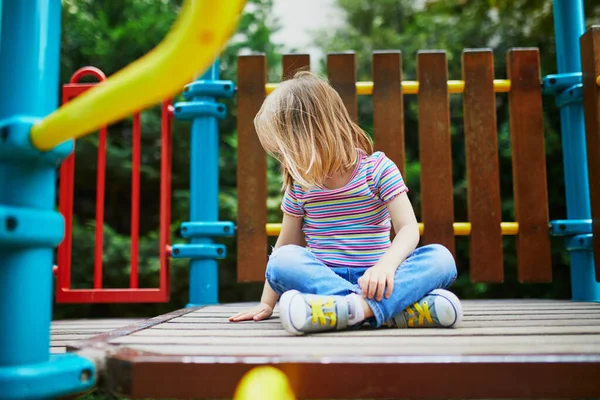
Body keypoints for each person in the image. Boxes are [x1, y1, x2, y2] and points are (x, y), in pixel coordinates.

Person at [229, 71, 462, 335]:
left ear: (310, 134)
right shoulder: (300, 185)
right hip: (323, 280)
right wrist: (266, 303)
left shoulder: (377, 169)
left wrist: (386, 266)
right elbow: (286, 245)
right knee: (282, 260)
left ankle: (346, 310)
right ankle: (386, 312)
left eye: (286, 149)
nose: (284, 158)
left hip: (381, 278)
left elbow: (408, 228)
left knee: (441, 259)